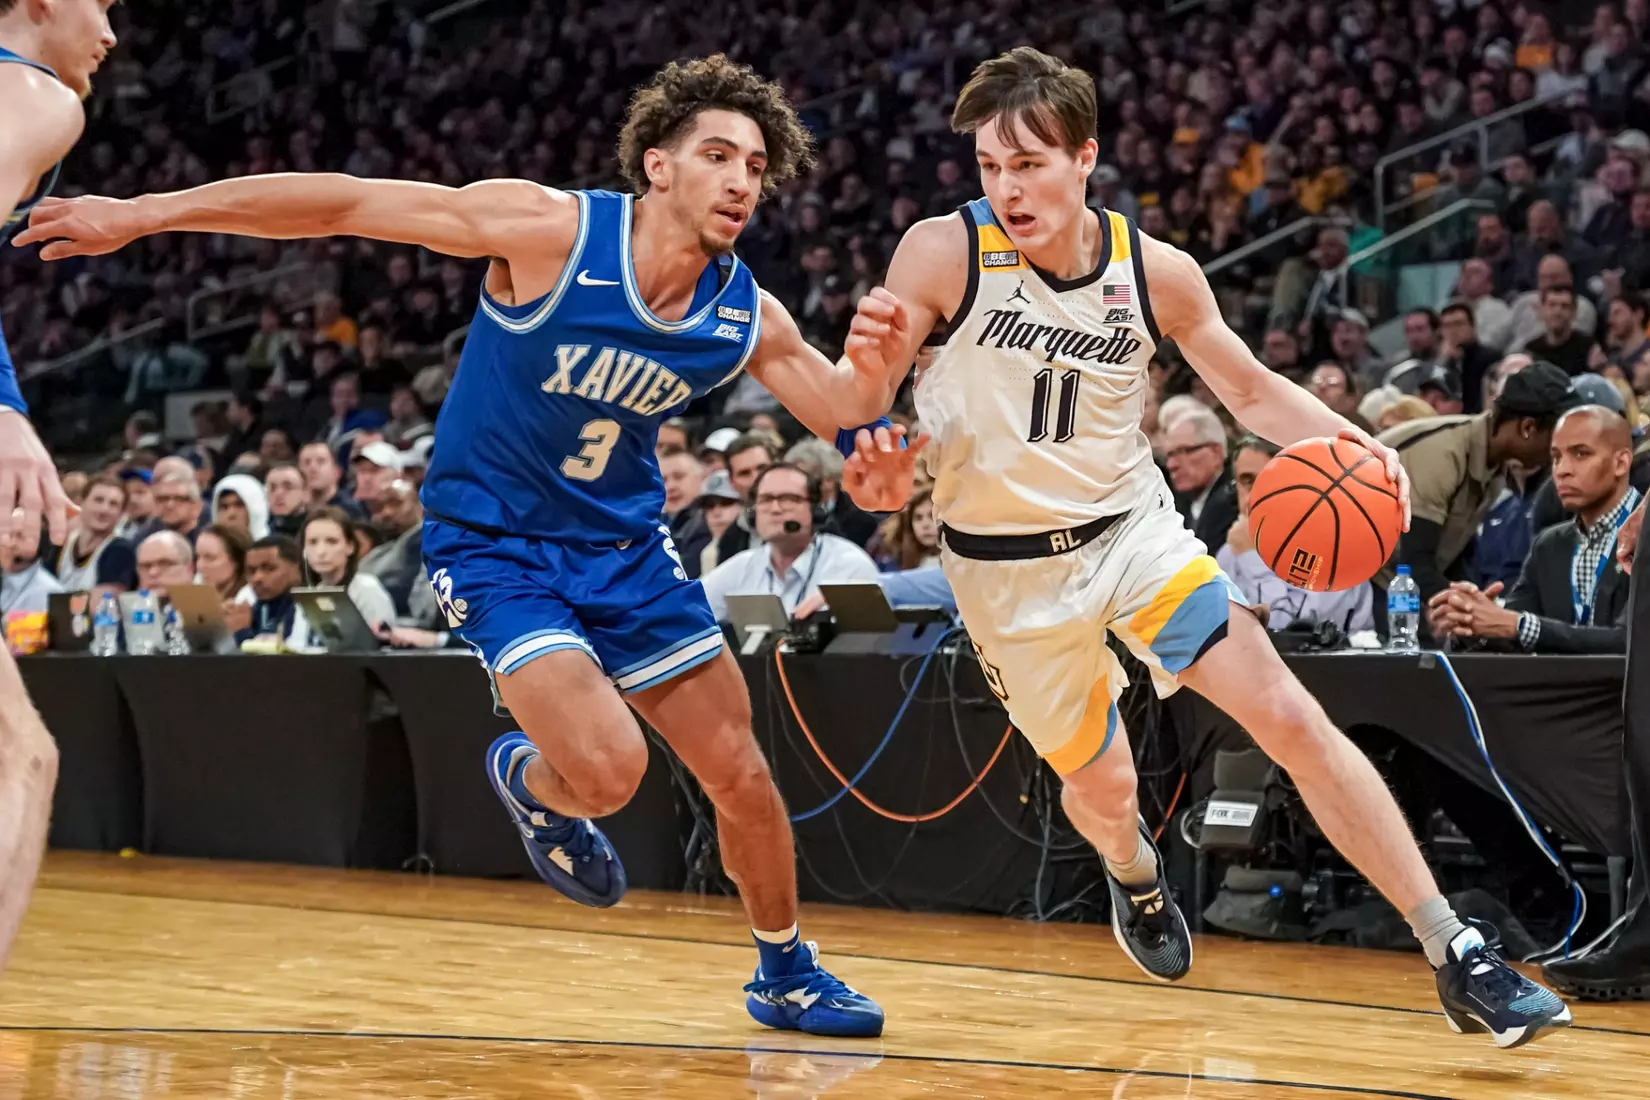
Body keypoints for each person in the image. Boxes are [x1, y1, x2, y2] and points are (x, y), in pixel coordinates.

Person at [26, 54, 924, 1036]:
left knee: (741, 773)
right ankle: (533, 782)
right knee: (610, 774)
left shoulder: (744, 312)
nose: (741, 180)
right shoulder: (549, 231)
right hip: (496, 544)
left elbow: (848, 418)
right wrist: (145, 213)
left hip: (624, 548)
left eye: (755, 165)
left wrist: (878, 435)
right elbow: (345, 203)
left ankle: (786, 972)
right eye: (718, 155)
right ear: (658, 165)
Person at [834, 46, 1569, 1045]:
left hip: (1132, 535)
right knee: (1102, 789)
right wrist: (875, 463)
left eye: (1030, 164)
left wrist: (1361, 445)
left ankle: (1456, 952)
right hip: (1006, 573)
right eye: (991, 166)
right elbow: (866, 400)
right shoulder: (941, 253)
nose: (1008, 188)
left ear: (1085, 157)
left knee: (1288, 714)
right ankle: (1134, 872)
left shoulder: (1155, 272)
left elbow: (1253, 391)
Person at [0, 0, 117, 975]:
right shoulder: (37, 97)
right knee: (21, 756)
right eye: (102, 3)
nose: (110, 32)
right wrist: (3, 407)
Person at [1378, 361, 1581, 620]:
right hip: (1358, 582)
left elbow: (1450, 559)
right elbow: (1414, 565)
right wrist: (1478, 613)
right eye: (1556, 439)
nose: (1557, 454)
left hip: (1395, 584)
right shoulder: (1443, 455)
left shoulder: (1493, 460)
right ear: (1527, 428)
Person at [1428, 405, 1636, 653]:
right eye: (1556, 457)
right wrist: (1474, 622)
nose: (1562, 470)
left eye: (1581, 454)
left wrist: (1520, 626)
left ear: (1621, 463)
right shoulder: (1549, 544)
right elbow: (1512, 632)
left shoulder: (1643, 536)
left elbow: (1634, 642)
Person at [1217, 437, 1374, 633]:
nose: (1253, 497)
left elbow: (1285, 633)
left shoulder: (1335, 554)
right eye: (1247, 482)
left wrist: (1251, 558)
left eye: (1270, 480)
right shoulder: (1231, 551)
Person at [699, 463, 881, 620]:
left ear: (816, 511)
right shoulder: (742, 567)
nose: (775, 509)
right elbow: (690, 609)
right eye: (766, 500)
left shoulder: (849, 565)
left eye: (788, 499)